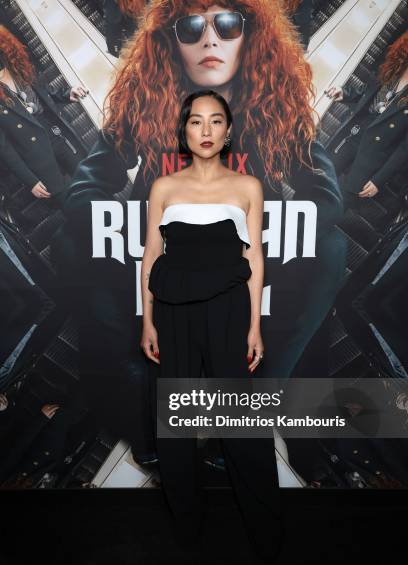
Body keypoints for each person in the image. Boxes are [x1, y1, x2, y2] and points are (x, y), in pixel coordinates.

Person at [63, 1, 344, 477]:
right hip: (162, 253)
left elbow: (326, 197)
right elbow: (85, 191)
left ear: (249, 35)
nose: (210, 40)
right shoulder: (147, 101)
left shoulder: (276, 106)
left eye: (227, 24)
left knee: (331, 248)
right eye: (192, 27)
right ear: (172, 41)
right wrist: (136, 228)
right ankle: (143, 403)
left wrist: (255, 232)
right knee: (71, 244)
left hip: (245, 257)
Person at [139, 89, 280, 557]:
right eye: (196, 122)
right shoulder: (163, 188)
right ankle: (187, 530)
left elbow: (254, 257)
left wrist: (255, 326)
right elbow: (150, 256)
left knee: (239, 419)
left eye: (215, 121)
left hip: (228, 309)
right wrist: (149, 321)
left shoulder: (248, 187)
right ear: (184, 130)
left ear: (228, 131)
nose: (205, 131)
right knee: (177, 422)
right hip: (174, 309)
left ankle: (264, 529)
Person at [0, 25, 88, 208]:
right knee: (74, 208)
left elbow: (43, 91)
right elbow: (4, 146)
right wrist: (29, 180)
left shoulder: (17, 65)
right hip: (36, 157)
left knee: (91, 183)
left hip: (55, 134)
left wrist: (67, 93)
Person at [325, 30, 408, 212]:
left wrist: (380, 179)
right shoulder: (394, 67)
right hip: (354, 134)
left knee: (335, 207)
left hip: (373, 156)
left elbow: (405, 148)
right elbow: (366, 93)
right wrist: (345, 93)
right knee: (317, 183)